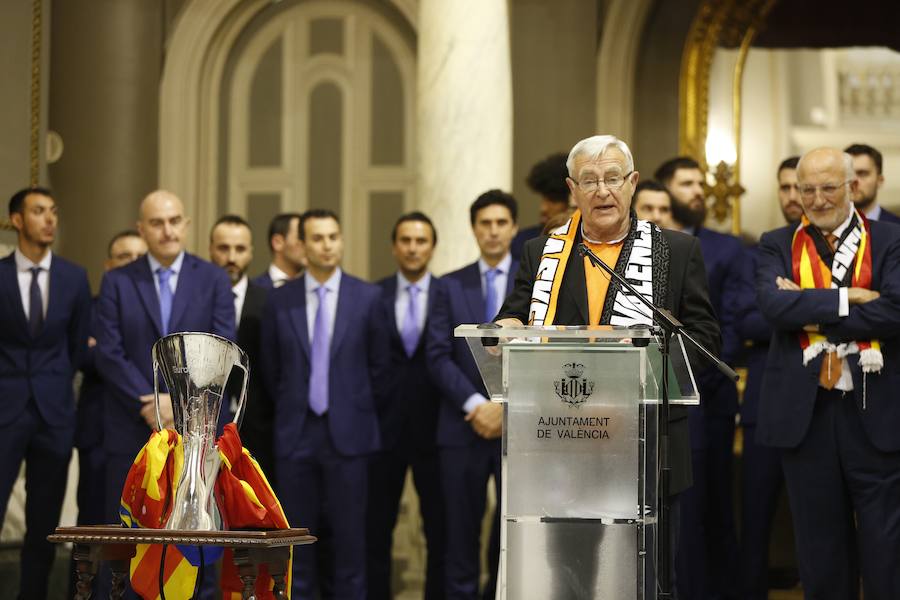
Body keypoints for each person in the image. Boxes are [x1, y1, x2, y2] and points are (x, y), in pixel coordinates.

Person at [755, 147, 900, 598]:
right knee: (819, 550)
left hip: (876, 412)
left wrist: (808, 305)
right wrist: (850, 298)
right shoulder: (776, 243)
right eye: (807, 190)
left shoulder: (891, 239)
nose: (817, 200)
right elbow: (774, 308)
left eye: (828, 188)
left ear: (852, 188)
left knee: (885, 547)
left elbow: (895, 311)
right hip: (805, 415)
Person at [260, 209, 389, 599]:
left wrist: (355, 407)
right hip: (296, 436)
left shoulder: (368, 297)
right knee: (296, 549)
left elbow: (380, 367)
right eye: (317, 238)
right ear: (301, 245)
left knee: (351, 548)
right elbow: (270, 368)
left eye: (333, 236)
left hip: (349, 437)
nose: (327, 245)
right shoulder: (278, 301)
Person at [95, 190, 235, 528]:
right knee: (130, 536)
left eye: (174, 222)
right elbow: (109, 352)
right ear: (141, 230)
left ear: (186, 225)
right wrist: (153, 404)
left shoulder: (213, 278)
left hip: (194, 428)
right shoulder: (117, 281)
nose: (167, 231)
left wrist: (177, 403)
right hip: (131, 422)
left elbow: (222, 349)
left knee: (193, 538)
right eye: (157, 223)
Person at [655, 155, 742, 599]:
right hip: (652, 401)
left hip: (708, 399)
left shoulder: (727, 249)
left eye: (700, 183)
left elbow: (727, 323)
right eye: (686, 182)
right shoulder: (645, 250)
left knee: (709, 509)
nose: (697, 191)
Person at [427, 189, 519, 600]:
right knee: (459, 538)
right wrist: (477, 405)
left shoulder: (533, 282)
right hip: (462, 427)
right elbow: (437, 356)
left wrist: (506, 408)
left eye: (501, 223)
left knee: (514, 537)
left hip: (520, 429)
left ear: (514, 228)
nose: (494, 231)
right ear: (474, 229)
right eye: (486, 223)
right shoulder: (448, 286)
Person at [0, 187, 91, 600]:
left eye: (53, 211)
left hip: (54, 413)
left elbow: (76, 347)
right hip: (5, 408)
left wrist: (56, 384)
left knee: (44, 525)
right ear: (17, 220)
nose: (49, 219)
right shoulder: (0, 274)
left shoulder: (74, 276)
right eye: (38, 212)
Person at [368, 212, 446, 600]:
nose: (413, 248)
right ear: (394, 246)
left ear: (432, 246)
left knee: (440, 530)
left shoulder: (448, 293)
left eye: (421, 241)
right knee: (376, 528)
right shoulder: (373, 295)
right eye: (406, 240)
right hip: (383, 431)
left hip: (437, 430)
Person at [735, 156, 799, 599]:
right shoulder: (761, 250)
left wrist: (792, 304)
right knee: (753, 517)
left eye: (802, 187)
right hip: (762, 404)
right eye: (786, 188)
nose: (794, 197)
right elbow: (747, 322)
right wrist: (814, 311)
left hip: (825, 402)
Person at [69, 230, 146, 599]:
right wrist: (102, 352)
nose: (131, 262)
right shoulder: (95, 305)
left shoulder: (151, 309)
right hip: (99, 431)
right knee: (94, 525)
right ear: (108, 265)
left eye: (138, 256)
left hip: (144, 428)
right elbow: (83, 355)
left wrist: (106, 349)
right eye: (123, 256)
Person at [208, 214, 274, 479]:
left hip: (258, 426)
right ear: (211, 249)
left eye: (240, 249)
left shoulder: (270, 301)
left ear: (251, 252)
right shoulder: (198, 296)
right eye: (223, 248)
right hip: (206, 421)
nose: (231, 257)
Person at [510, 153, 571, 260]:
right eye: (543, 199)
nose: (543, 208)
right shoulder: (522, 242)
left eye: (553, 200)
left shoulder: (585, 241)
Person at [844, 143, 900, 224]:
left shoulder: (897, 228)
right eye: (849, 173)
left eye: (862, 173)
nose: (853, 181)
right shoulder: (824, 228)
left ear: (879, 181)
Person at [252, 212, 306, 288]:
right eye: (301, 238)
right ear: (278, 243)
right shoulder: (254, 289)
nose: (308, 245)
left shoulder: (316, 288)